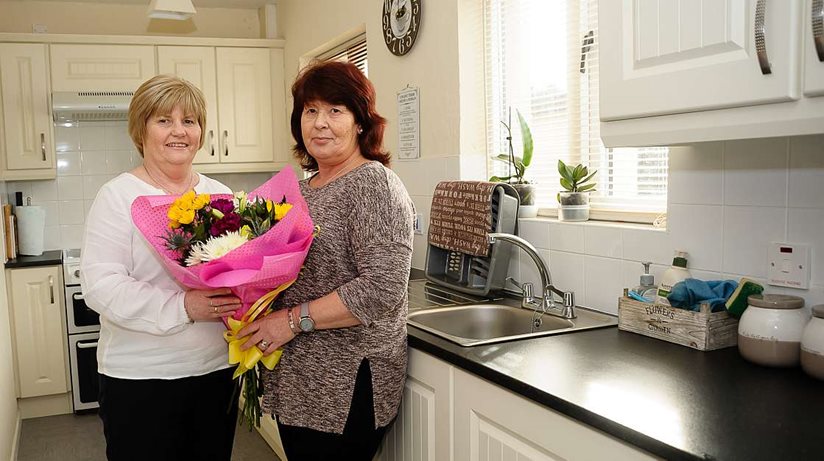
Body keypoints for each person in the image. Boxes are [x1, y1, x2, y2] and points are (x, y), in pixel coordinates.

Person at [238, 60, 415, 460]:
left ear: (360, 123)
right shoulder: (300, 191)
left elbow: (381, 289)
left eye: (335, 110)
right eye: (310, 110)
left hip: (346, 385)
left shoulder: (373, 183)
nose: (320, 123)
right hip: (298, 379)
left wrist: (288, 321)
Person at [81, 75, 242, 461]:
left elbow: (240, 274)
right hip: (141, 380)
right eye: (163, 121)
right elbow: (101, 286)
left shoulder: (218, 195)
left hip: (215, 371)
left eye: (189, 121)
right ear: (141, 129)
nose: (179, 132)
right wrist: (184, 307)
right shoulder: (117, 196)